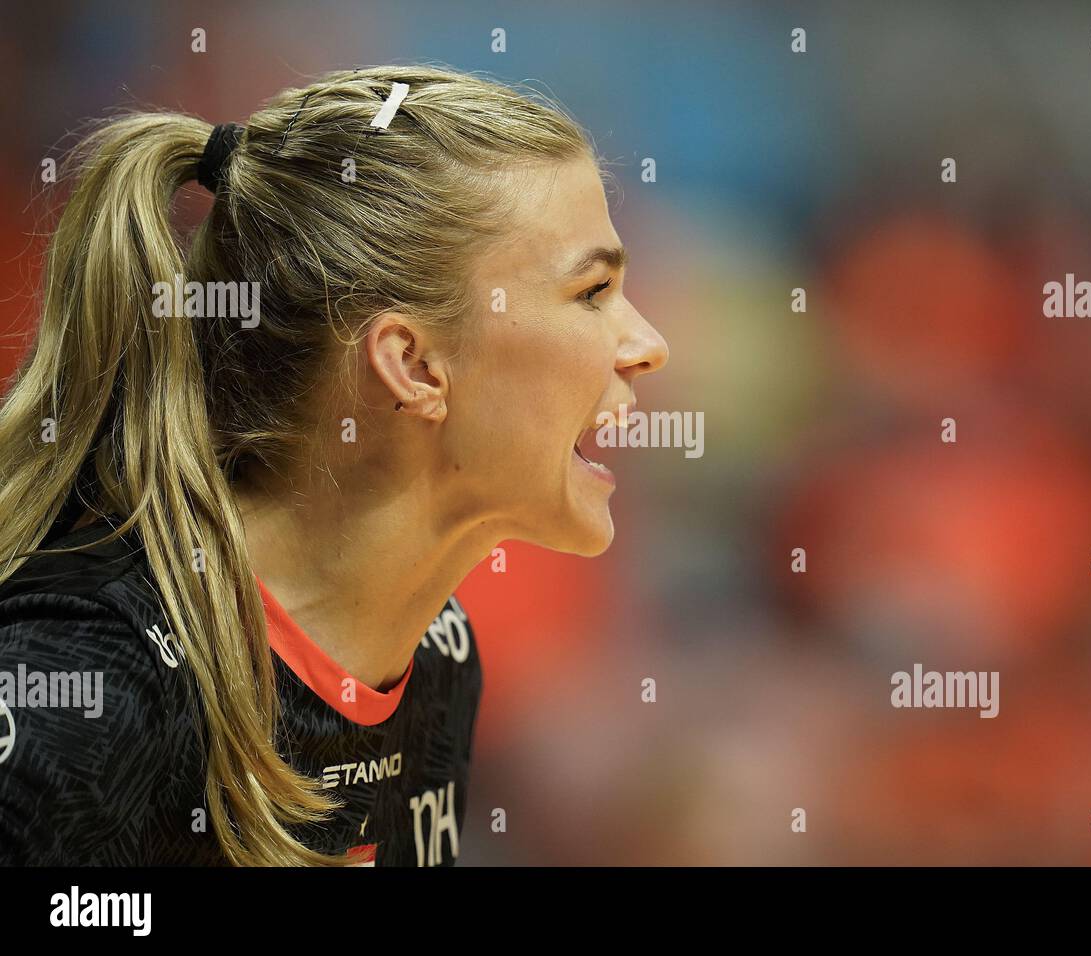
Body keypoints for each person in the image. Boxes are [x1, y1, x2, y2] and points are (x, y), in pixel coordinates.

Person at [0, 64, 668, 866]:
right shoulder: (85, 683)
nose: (648, 345)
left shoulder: (438, 658)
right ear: (413, 366)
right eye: (593, 292)